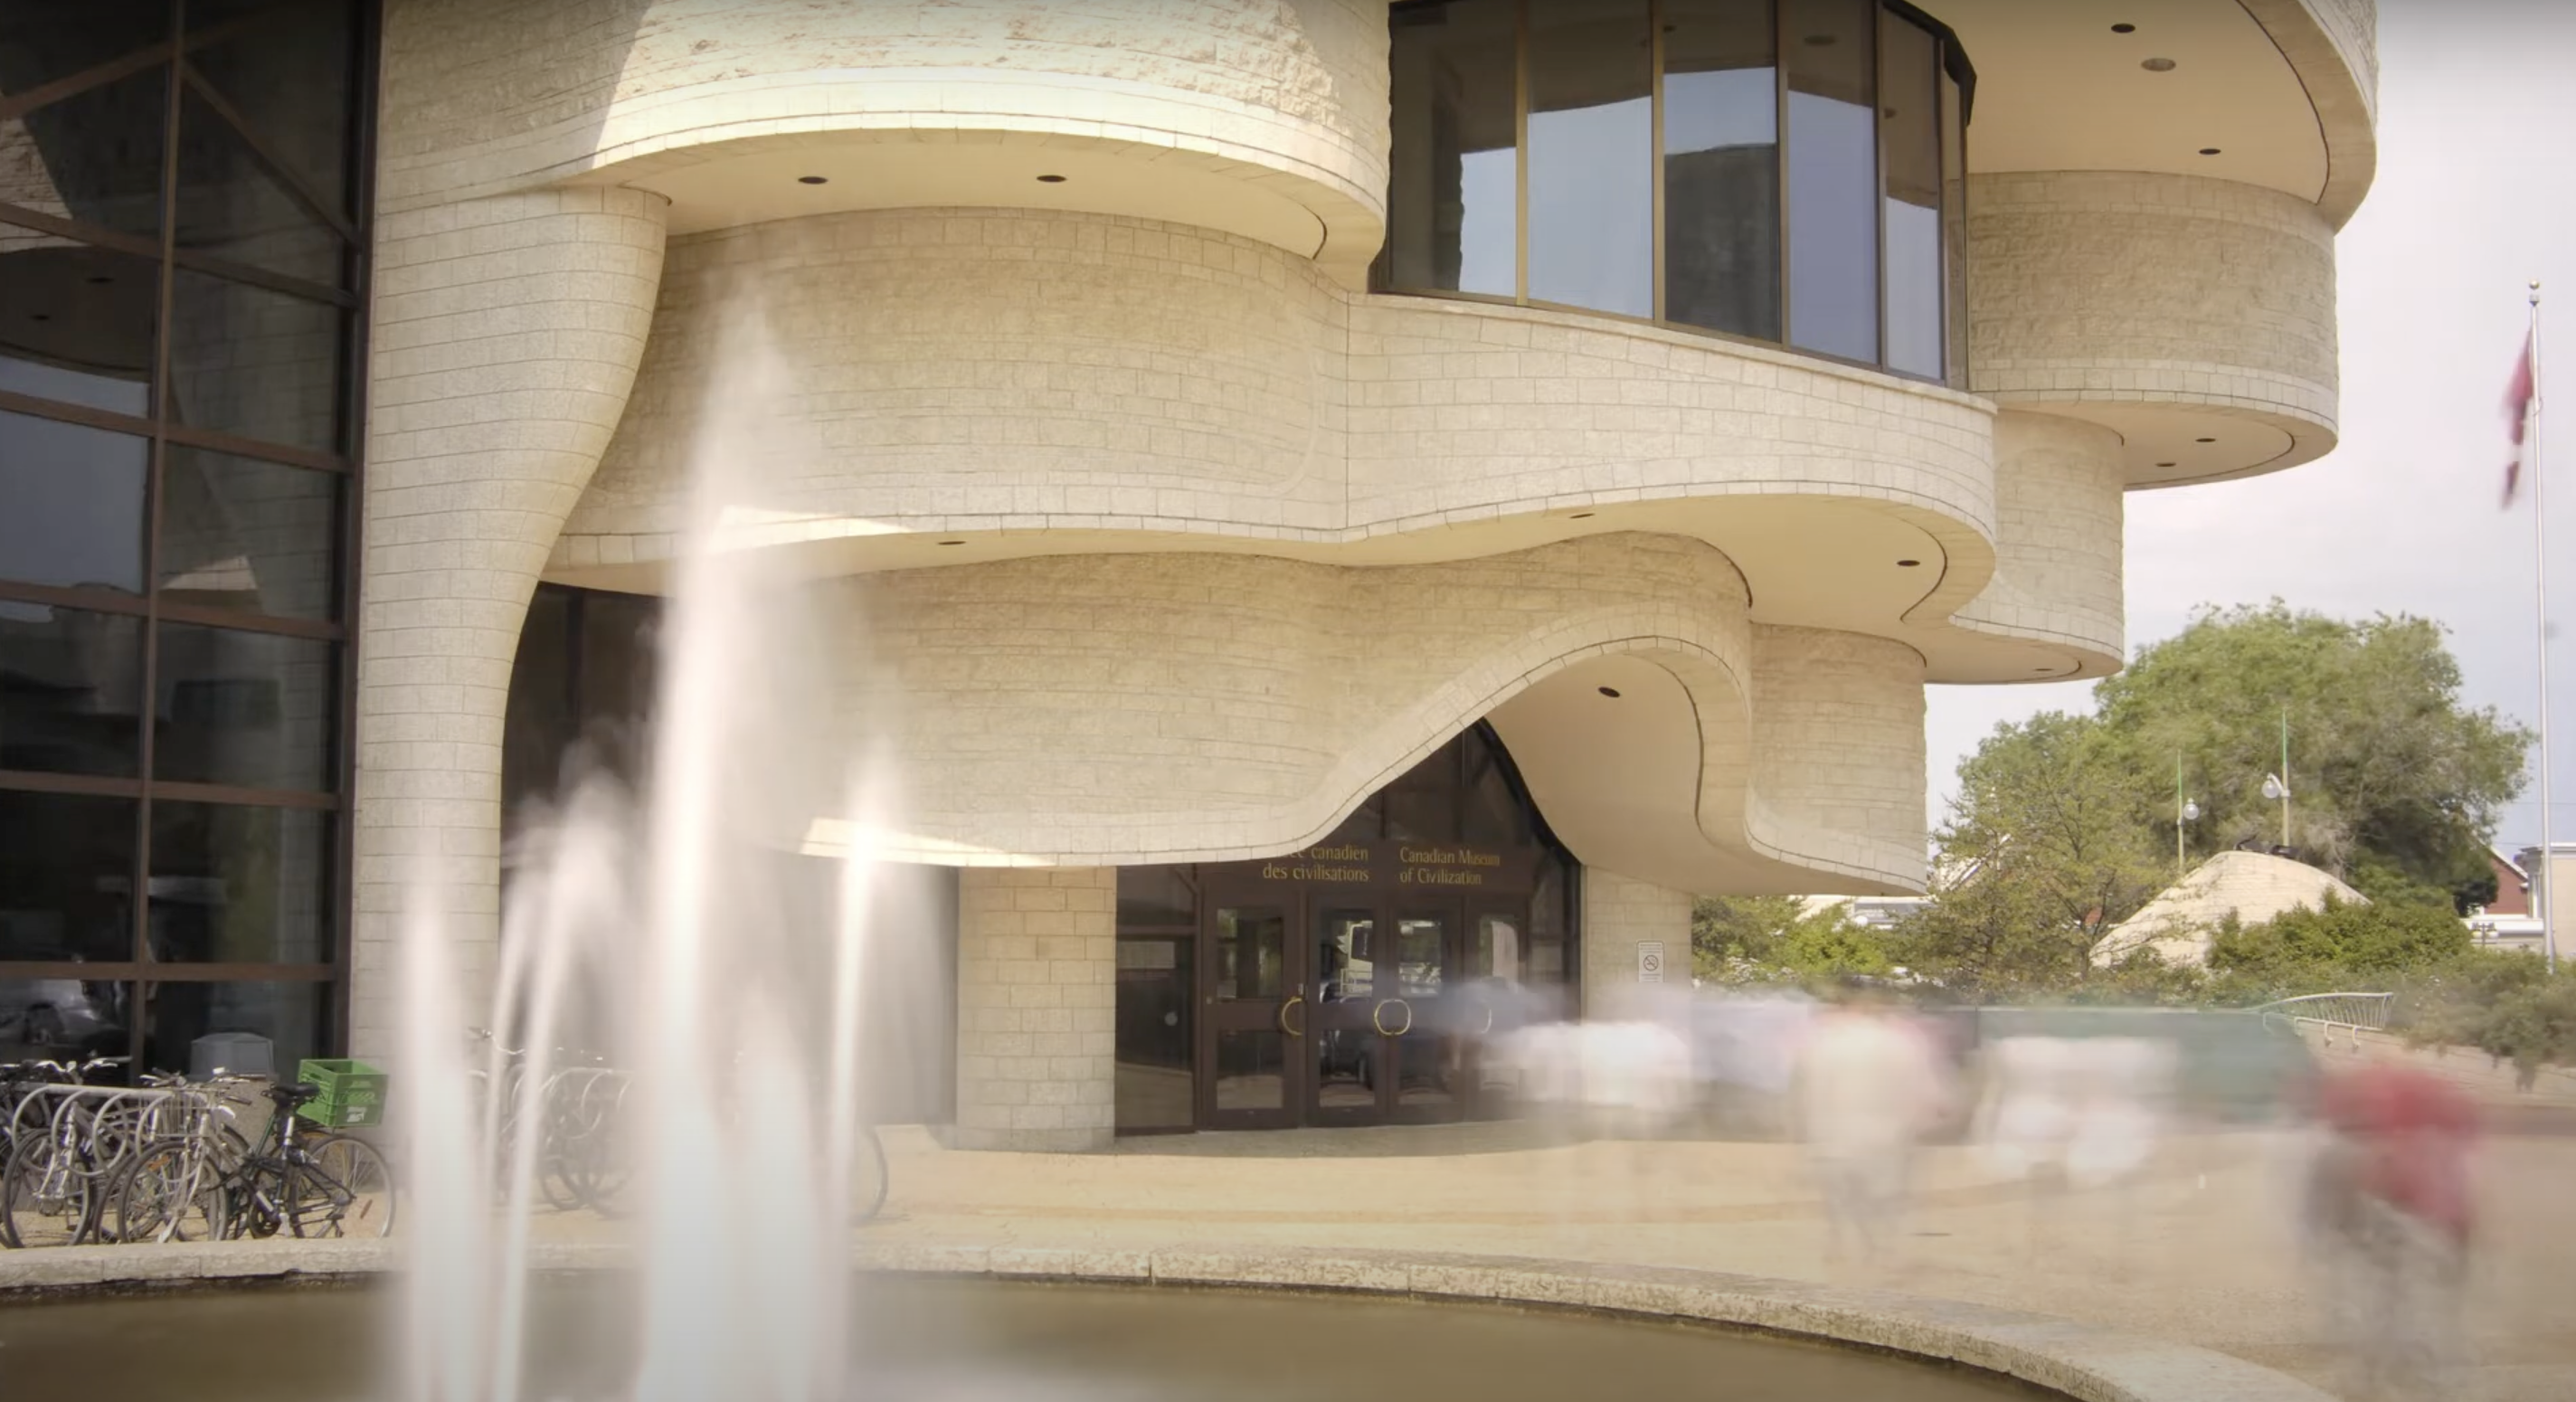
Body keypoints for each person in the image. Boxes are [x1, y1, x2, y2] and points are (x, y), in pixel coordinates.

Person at [2301, 1064, 2478, 1400]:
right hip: (2399, 1244)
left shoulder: (2366, 1150)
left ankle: (2378, 1376)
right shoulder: (2403, 1149)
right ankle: (2392, 1375)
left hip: (2388, 1244)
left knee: (2388, 1311)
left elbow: (2380, 1199)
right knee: (2399, 1311)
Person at [1792, 981, 1950, 1267]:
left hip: (1833, 1134)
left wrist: (1806, 1129)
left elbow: (1808, 1092)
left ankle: (1843, 1243)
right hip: (1887, 1135)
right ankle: (1881, 1249)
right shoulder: (1902, 1044)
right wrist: (1923, 1124)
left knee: (1841, 1195)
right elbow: (1927, 1093)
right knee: (1884, 1196)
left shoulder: (1827, 1043)